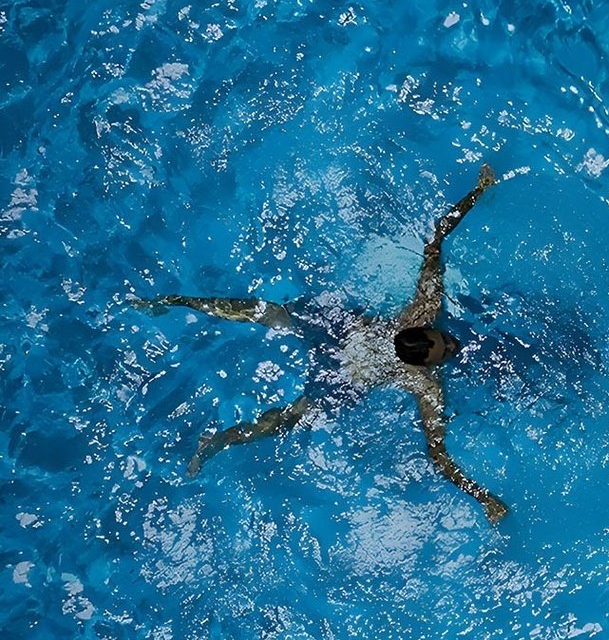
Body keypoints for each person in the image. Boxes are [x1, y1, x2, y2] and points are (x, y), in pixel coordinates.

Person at [133, 165, 510, 524]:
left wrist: (478, 191)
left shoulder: (421, 312)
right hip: (346, 368)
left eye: (444, 340)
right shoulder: (424, 385)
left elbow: (436, 239)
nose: (453, 343)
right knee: (275, 351)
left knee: (282, 382)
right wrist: (482, 497)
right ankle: (180, 302)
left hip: (347, 339)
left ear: (423, 329)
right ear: (423, 364)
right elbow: (438, 455)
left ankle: (218, 440)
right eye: (446, 348)